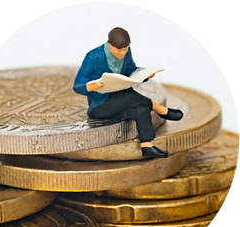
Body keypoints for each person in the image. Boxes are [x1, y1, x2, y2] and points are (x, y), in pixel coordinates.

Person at [73, 27, 183, 160]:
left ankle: (146, 145)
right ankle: (162, 110)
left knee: (141, 109)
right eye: (119, 50)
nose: (123, 53)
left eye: (126, 48)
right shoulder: (93, 56)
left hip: (123, 101)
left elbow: (132, 70)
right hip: (100, 105)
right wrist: (90, 86)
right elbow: (77, 84)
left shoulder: (126, 52)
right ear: (109, 45)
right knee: (130, 96)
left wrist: (145, 74)